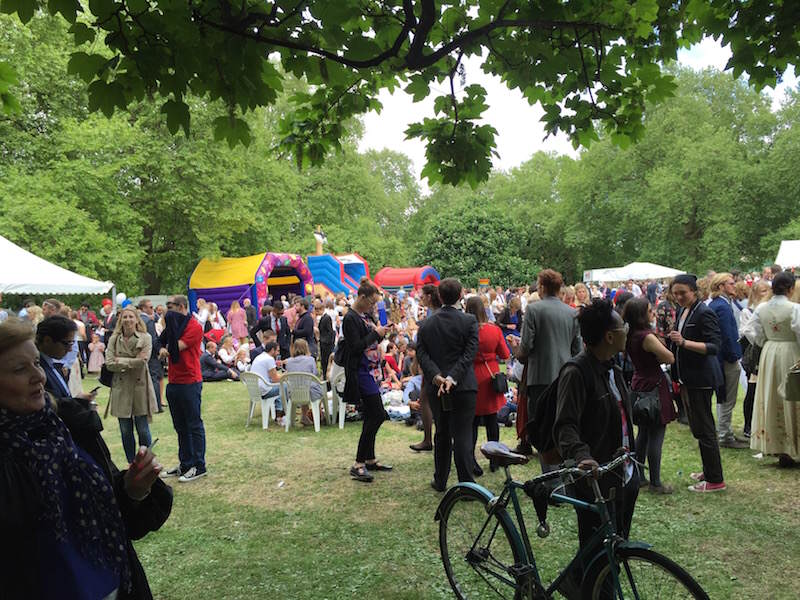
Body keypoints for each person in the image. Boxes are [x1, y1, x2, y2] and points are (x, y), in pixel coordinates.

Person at [0, 317, 172, 600]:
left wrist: (132, 490)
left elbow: (113, 514)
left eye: (36, 364)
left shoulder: (66, 427)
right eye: (20, 369)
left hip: (114, 586)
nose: (38, 376)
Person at [553, 299, 639, 551]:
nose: (627, 330)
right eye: (623, 327)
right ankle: (589, 588)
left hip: (623, 472)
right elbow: (565, 425)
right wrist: (582, 456)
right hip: (595, 479)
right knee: (596, 551)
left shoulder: (613, 367)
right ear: (610, 337)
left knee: (617, 546)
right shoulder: (576, 372)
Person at [417, 278, 480, 491]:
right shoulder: (469, 321)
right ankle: (466, 483)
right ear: (461, 295)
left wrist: (437, 376)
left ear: (440, 297)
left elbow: (422, 354)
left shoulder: (426, 324)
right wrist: (451, 378)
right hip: (463, 386)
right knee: (462, 434)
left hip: (438, 386)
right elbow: (469, 354)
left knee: (442, 432)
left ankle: (440, 480)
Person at [668, 275, 726, 492]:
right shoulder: (685, 311)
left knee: (705, 429)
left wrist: (684, 342)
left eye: (683, 292)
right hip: (688, 379)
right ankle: (709, 470)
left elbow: (714, 346)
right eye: (676, 293)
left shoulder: (704, 312)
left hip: (701, 379)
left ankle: (715, 480)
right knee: (699, 429)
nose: (679, 296)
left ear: (694, 291)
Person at [516, 269, 582, 457]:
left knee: (540, 422)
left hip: (539, 376)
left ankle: (547, 462)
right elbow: (577, 349)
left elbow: (526, 346)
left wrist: (517, 352)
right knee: (561, 418)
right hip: (565, 375)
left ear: (542, 286)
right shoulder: (571, 313)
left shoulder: (534, 309)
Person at [741, 271, 800, 467]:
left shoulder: (761, 308)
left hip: (770, 352)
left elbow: (750, 330)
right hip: (791, 351)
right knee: (792, 396)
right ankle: (793, 446)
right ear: (791, 288)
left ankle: (779, 447)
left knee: (772, 396)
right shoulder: (795, 309)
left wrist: (764, 341)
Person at [622, 298, 676, 494]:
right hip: (654, 384)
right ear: (641, 314)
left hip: (638, 383)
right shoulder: (646, 336)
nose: (653, 312)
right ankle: (655, 482)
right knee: (656, 433)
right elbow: (669, 357)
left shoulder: (629, 334)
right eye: (649, 310)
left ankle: (639, 476)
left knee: (643, 433)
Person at [342, 279, 393, 483]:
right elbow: (355, 347)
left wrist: (381, 333)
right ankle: (359, 463)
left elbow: (371, 340)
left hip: (372, 371)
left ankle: (369, 459)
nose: (373, 305)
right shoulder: (350, 318)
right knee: (377, 414)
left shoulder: (364, 315)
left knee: (375, 415)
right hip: (361, 373)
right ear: (361, 297)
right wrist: (375, 334)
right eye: (371, 301)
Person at [158, 295, 207, 482]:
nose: (167, 312)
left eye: (171, 307)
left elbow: (176, 348)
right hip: (174, 381)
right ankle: (185, 463)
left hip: (190, 381)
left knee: (193, 425)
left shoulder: (194, 327)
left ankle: (199, 465)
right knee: (180, 427)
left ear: (181, 307)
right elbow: (160, 342)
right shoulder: (172, 326)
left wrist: (165, 347)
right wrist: (161, 345)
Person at [465, 296, 510, 477]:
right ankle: (494, 458)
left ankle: (472, 461)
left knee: (473, 423)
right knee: (492, 420)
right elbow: (504, 353)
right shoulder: (494, 330)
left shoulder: (466, 331)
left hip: (471, 376)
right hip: (490, 375)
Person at [105, 307, 158, 464]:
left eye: (131, 317)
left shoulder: (145, 337)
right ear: (120, 320)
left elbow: (143, 361)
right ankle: (131, 463)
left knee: (142, 428)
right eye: (124, 317)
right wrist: (131, 361)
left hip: (140, 386)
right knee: (125, 430)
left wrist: (119, 360)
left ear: (137, 319)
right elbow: (108, 363)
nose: (127, 320)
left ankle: (147, 461)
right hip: (120, 387)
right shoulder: (114, 339)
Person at [708, 273, 748, 449]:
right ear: (721, 286)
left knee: (724, 397)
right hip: (726, 358)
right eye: (731, 283)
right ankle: (725, 435)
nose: (734, 285)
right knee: (727, 398)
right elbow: (726, 335)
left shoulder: (720, 304)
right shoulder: (722, 307)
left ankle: (726, 432)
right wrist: (734, 356)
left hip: (721, 357)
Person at [409, 283, 442, 453]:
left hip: (433, 365)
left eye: (422, 296)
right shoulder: (433, 314)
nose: (421, 299)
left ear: (430, 297)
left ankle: (430, 439)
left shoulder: (433, 317)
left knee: (428, 400)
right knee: (425, 398)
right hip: (434, 364)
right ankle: (429, 438)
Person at [738, 280, 772, 438]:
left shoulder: (770, 309)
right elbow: (746, 331)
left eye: (767, 291)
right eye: (762, 291)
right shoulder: (748, 311)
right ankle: (748, 425)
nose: (765, 294)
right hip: (755, 356)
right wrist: (761, 341)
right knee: (752, 390)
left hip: (768, 353)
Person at [285, 339, 324, 426]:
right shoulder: (310, 360)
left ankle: (304, 416)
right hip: (308, 391)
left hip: (293, 392)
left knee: (304, 386)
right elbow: (315, 374)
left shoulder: (288, 361)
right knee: (316, 387)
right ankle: (318, 415)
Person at [137, 298, 165, 413]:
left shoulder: (138, 320)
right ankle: (156, 405)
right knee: (154, 378)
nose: (152, 309)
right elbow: (153, 340)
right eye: (150, 307)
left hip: (140, 354)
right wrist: (159, 351)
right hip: (151, 354)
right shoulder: (148, 321)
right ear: (143, 308)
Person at [249, 341, 284, 426]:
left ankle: (279, 412)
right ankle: (281, 415)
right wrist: (286, 376)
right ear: (272, 350)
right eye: (277, 351)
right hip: (264, 390)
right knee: (285, 387)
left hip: (254, 390)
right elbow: (275, 379)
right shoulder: (269, 359)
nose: (278, 353)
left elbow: (271, 375)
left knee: (280, 387)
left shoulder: (259, 357)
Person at [318, 299, 336, 378]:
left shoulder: (326, 317)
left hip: (326, 344)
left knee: (326, 362)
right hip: (324, 343)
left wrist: (327, 342)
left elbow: (330, 331)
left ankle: (327, 378)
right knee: (324, 362)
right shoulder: (324, 317)